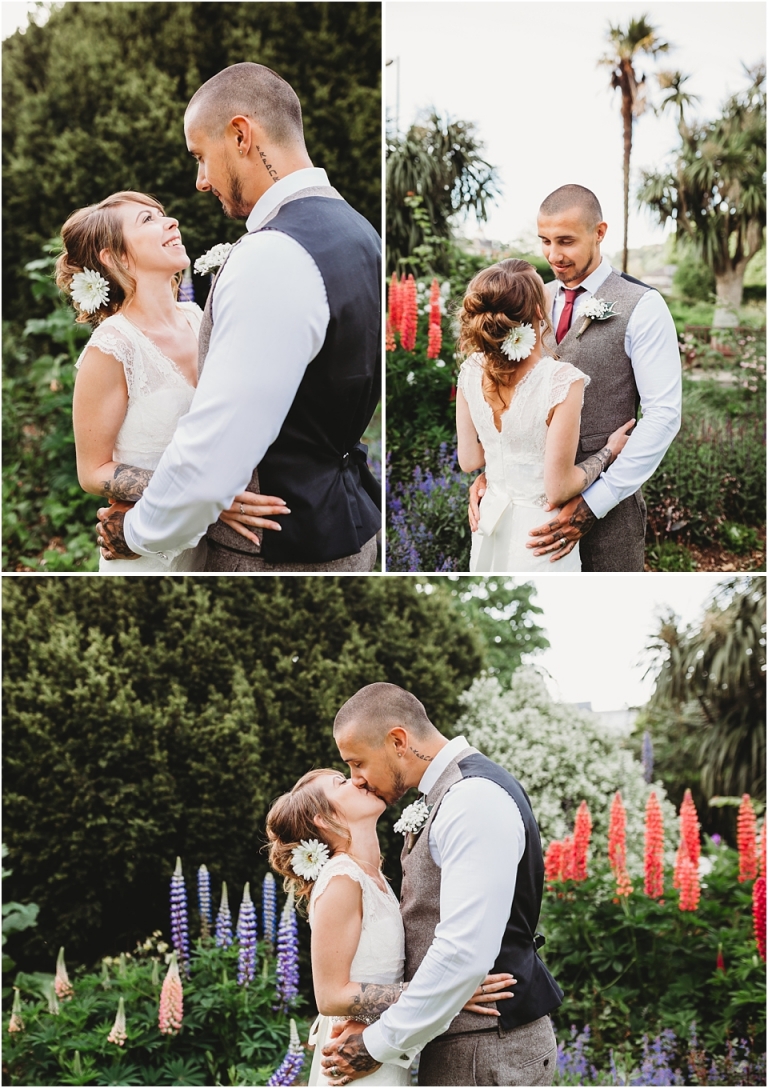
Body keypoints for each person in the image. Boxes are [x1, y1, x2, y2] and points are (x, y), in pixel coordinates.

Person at [96, 62, 381, 572]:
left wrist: (136, 533)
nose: (201, 182)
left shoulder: (275, 253)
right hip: (347, 530)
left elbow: (217, 446)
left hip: (272, 551)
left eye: (201, 157)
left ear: (242, 135)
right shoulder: (360, 233)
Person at [322, 683, 562, 1087]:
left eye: (357, 762)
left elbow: (462, 951)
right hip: (467, 1042)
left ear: (398, 741)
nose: (356, 779)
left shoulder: (472, 799)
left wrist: (375, 1045)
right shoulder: (448, 794)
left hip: (488, 1048)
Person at [57, 190, 285, 573]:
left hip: (215, 547)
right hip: (148, 554)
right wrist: (208, 496)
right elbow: (93, 472)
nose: (171, 222)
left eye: (162, 214)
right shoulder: (112, 347)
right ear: (115, 258)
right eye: (147, 220)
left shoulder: (198, 317)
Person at [469, 184, 681, 572]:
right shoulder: (531, 299)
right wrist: (498, 474)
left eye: (565, 241)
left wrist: (595, 502)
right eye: (545, 241)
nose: (553, 255)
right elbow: (510, 394)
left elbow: (664, 415)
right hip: (529, 517)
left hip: (609, 511)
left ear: (599, 232)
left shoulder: (644, 305)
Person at [266, 768, 514, 1086]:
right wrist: (445, 991)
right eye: (341, 783)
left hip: (381, 1050)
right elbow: (329, 996)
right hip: (354, 1058)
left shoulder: (374, 878)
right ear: (323, 820)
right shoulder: (341, 878)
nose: (356, 780)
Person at [456, 258, 634, 571]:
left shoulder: (470, 371)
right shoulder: (562, 380)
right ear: (539, 311)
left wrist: (502, 467)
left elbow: (469, 460)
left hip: (489, 522)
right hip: (540, 538)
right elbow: (559, 488)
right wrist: (609, 451)